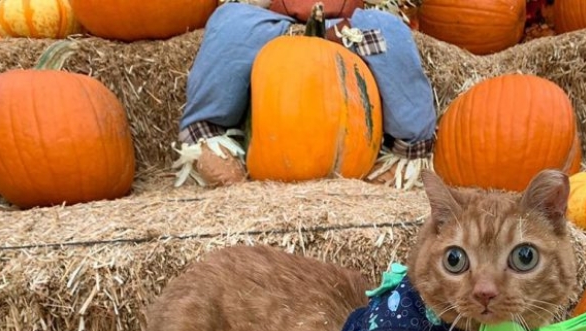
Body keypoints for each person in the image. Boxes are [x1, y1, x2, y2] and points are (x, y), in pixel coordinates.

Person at [173, 0, 435, 190]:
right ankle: (209, 137)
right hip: (270, 22)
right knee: (230, 24)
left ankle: (408, 152)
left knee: (389, 33)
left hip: (347, 25)